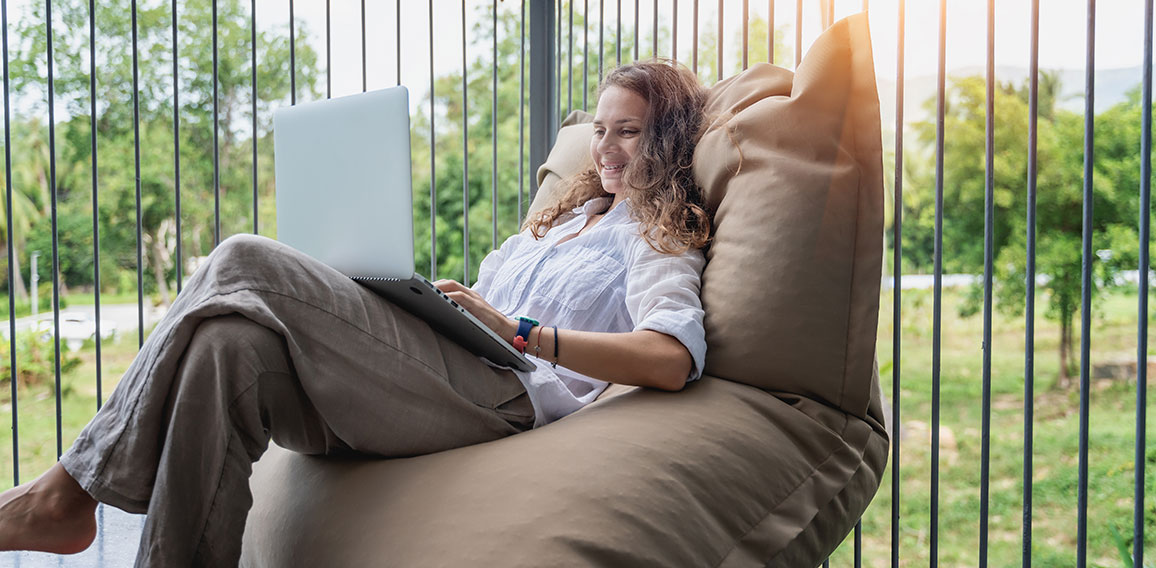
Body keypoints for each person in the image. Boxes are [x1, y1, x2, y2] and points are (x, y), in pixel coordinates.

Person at [0, 59, 712, 567]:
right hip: (449, 363)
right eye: (602, 129)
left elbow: (671, 358)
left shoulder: (659, 235)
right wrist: (443, 305)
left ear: (668, 139)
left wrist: (519, 330)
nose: (608, 148)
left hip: (509, 392)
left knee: (242, 256)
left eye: (631, 131)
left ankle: (64, 495)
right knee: (227, 345)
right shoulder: (563, 219)